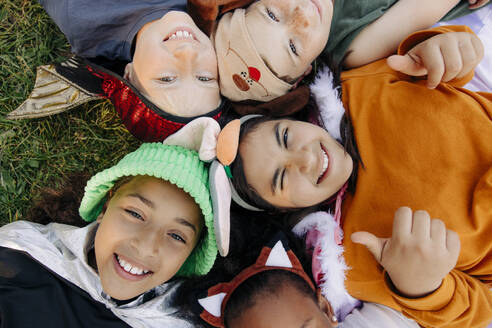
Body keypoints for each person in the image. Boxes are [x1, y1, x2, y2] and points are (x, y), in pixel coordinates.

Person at [211, 25, 492, 327]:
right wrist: (421, 288)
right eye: (281, 179)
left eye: (286, 137)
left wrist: (448, 49)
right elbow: (479, 307)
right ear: (283, 211)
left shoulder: (358, 90)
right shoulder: (353, 259)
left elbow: (437, 68)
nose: (306, 158)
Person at [0, 142, 218, 328]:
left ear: (189, 255)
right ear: (105, 207)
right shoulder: (18, 255)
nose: (145, 246)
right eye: (135, 213)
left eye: (177, 236)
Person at [188, 0, 490, 102]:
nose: (301, 19)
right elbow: (424, 7)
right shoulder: (354, 47)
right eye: (293, 47)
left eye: (271, 15)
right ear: (306, 70)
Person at [38, 0, 221, 118]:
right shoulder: (221, 10)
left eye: (167, 78)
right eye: (204, 77)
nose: (188, 52)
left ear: (130, 76)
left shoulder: (83, 16)